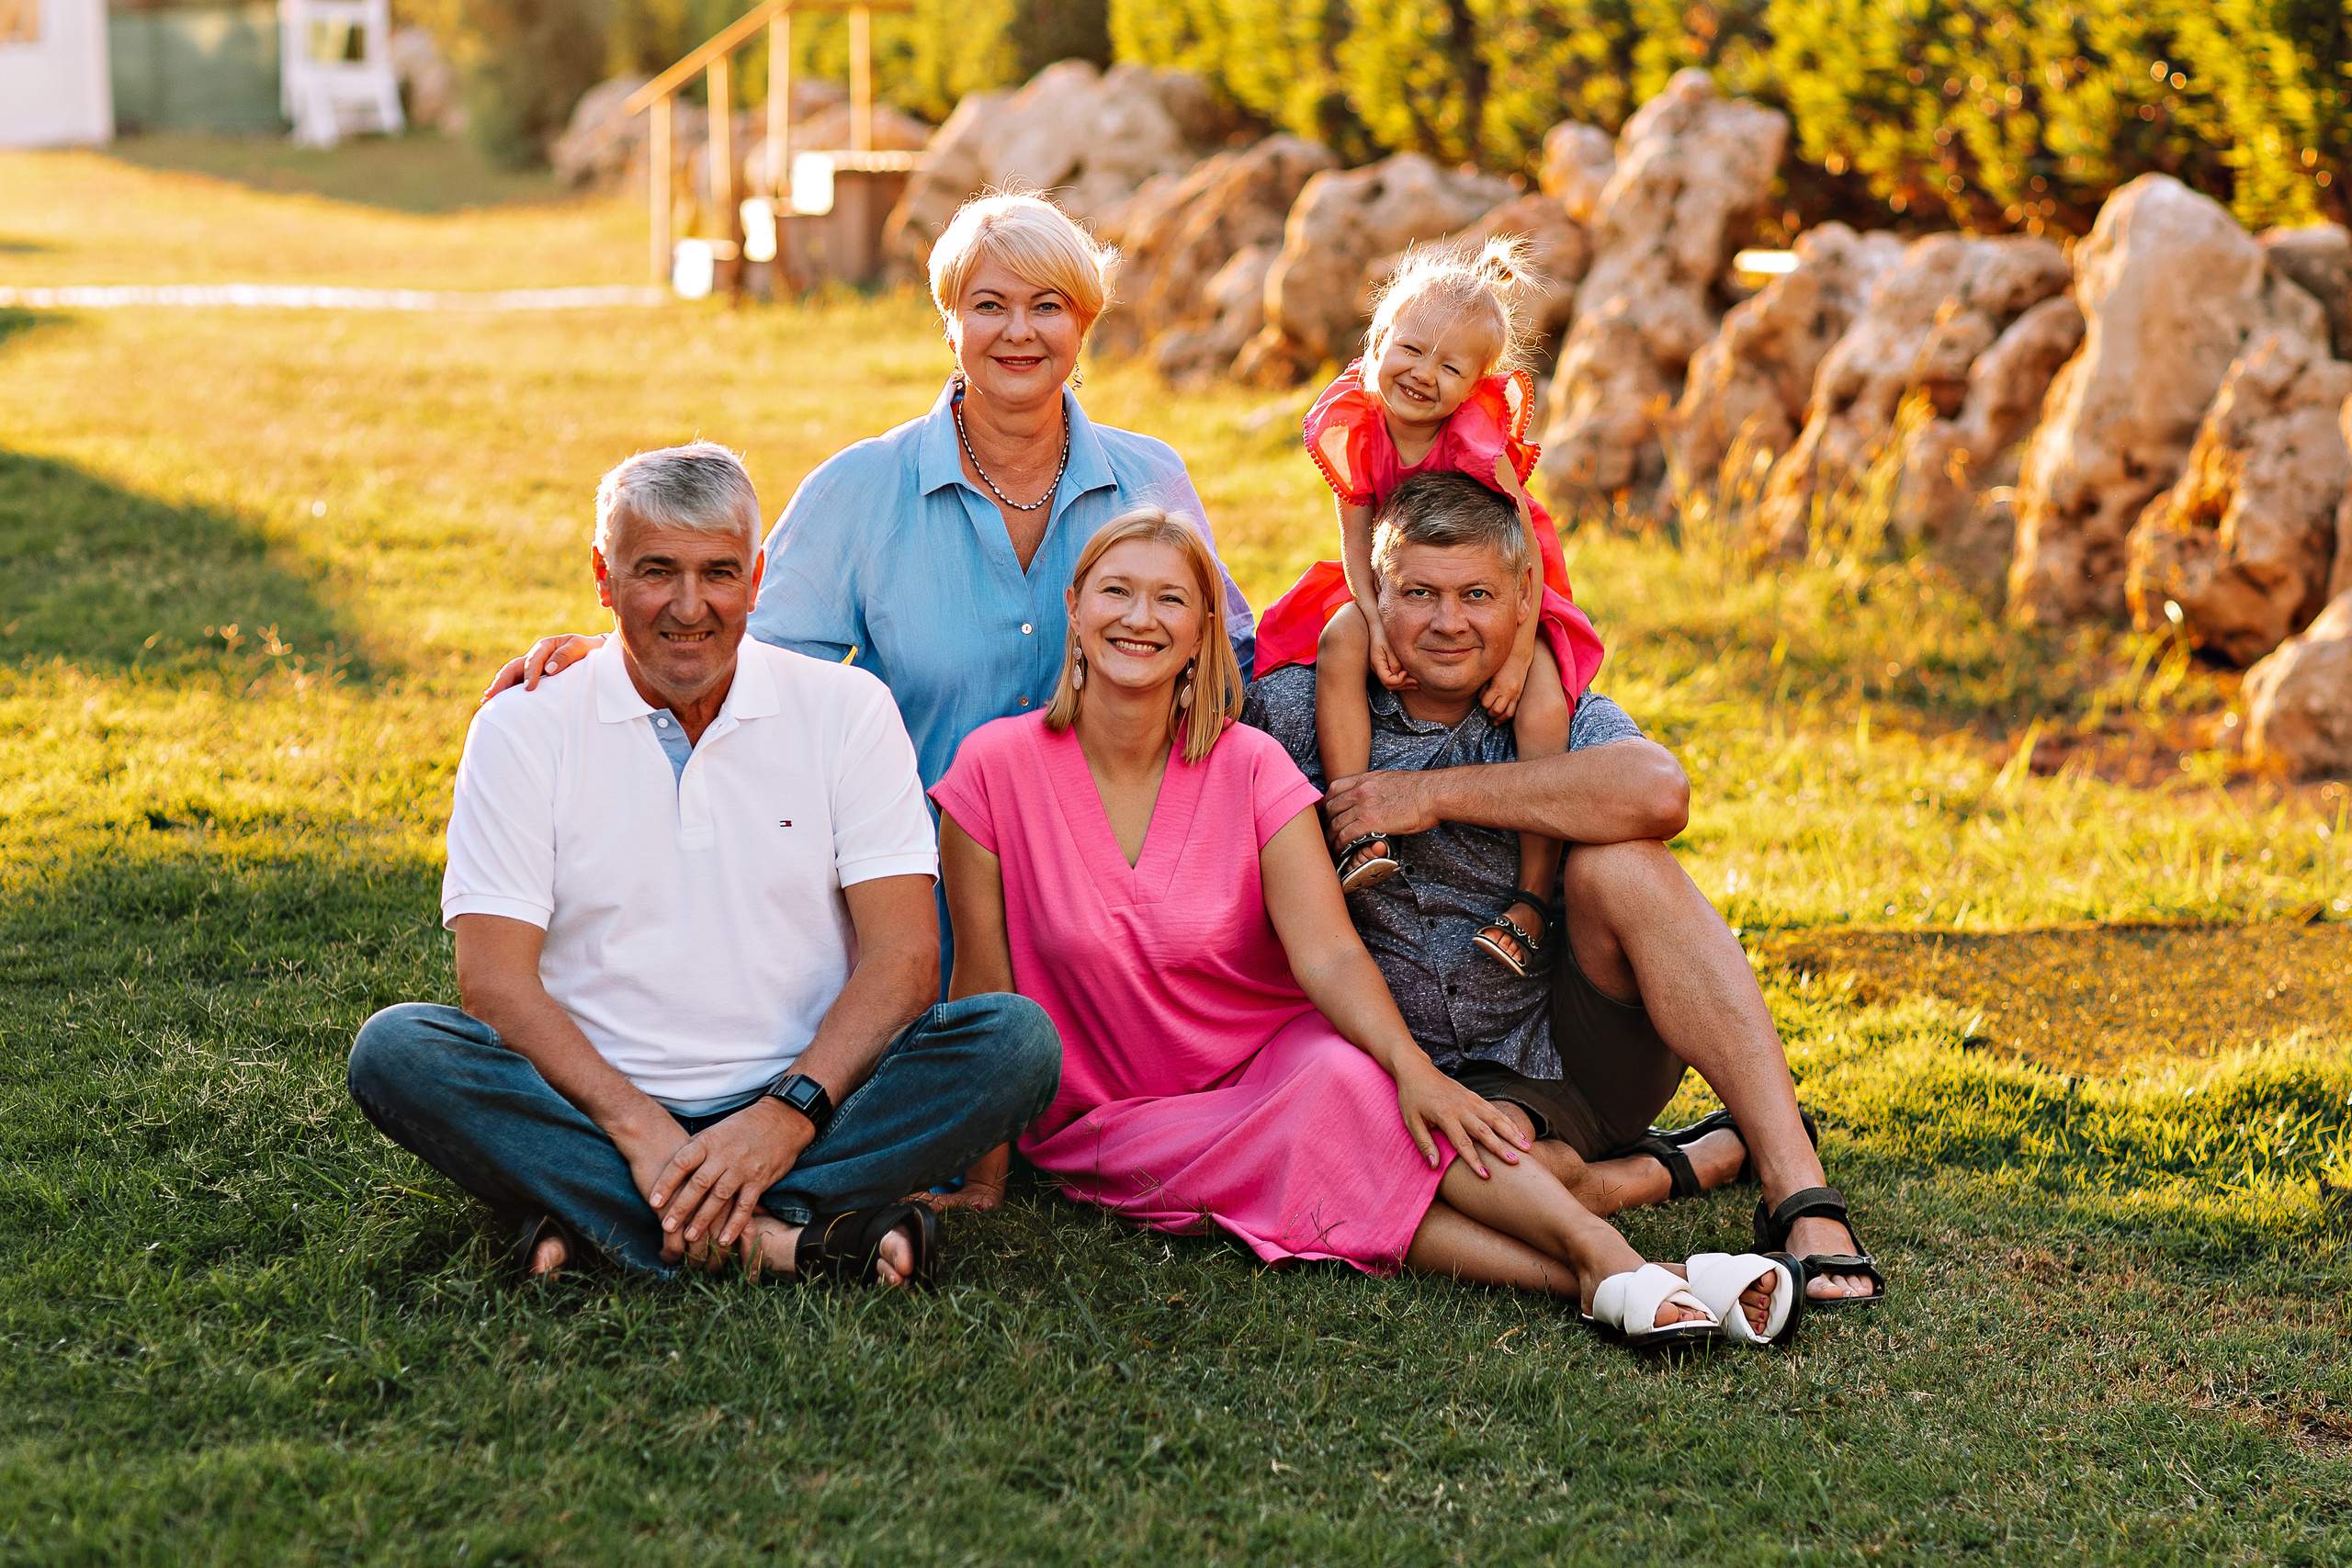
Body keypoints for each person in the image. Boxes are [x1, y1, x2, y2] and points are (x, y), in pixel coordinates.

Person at [930, 508, 1803, 1348]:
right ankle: (1632, 1271)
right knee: (1347, 1161)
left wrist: (1412, 1073)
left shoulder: (1249, 762)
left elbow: (1328, 952)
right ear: (1074, 608)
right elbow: (986, 989)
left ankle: (1614, 1264)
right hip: (1115, 1113)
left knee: (1361, 1097)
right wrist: (985, 1173)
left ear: (1203, 632)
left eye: (1170, 599)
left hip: (1276, 1058)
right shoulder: (994, 770)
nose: (1140, 618)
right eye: (1116, 591)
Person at [482, 193, 1256, 985]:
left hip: (1116, 916)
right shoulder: (861, 488)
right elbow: (746, 662)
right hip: (911, 905)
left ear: (1083, 323)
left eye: (1047, 306)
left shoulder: (1149, 476)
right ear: (950, 321)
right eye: (990, 305)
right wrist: (620, 658)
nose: (1019, 331)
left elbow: (1230, 662)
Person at [347, 444, 1061, 1286]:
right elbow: (495, 984)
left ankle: (594, 1217)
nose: (690, 607)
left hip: (811, 1101)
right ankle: (787, 1240)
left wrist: (785, 1116)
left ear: (756, 579)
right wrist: (638, 1127)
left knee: (1014, 1042)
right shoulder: (522, 726)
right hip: (592, 1103)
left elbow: (904, 960)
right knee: (399, 1050)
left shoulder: (846, 710)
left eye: (718, 573)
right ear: (604, 577)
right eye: (657, 571)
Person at [1243, 471, 1886, 1307]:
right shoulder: (1298, 709)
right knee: (1470, 1177)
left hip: (1580, 1049)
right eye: (1419, 592)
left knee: (1622, 864)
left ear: (1523, 600)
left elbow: (1660, 791)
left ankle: (1796, 1186)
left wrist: (1430, 795)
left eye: (1477, 594)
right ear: (1373, 590)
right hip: (1419, 1082)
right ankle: (1664, 1168)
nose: (1447, 622)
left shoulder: (1553, 702)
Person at [1250, 239, 1606, 984]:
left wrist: (1517, 652)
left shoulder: (1472, 439)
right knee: (1339, 639)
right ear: (1378, 341)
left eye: (1450, 368)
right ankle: (1357, 827)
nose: (1423, 374)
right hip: (1395, 580)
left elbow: (1527, 549)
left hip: (1505, 587)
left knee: (1543, 699)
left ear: (1476, 385)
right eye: (1410, 350)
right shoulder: (1356, 424)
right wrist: (1376, 623)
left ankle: (1532, 894)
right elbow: (1354, 541)